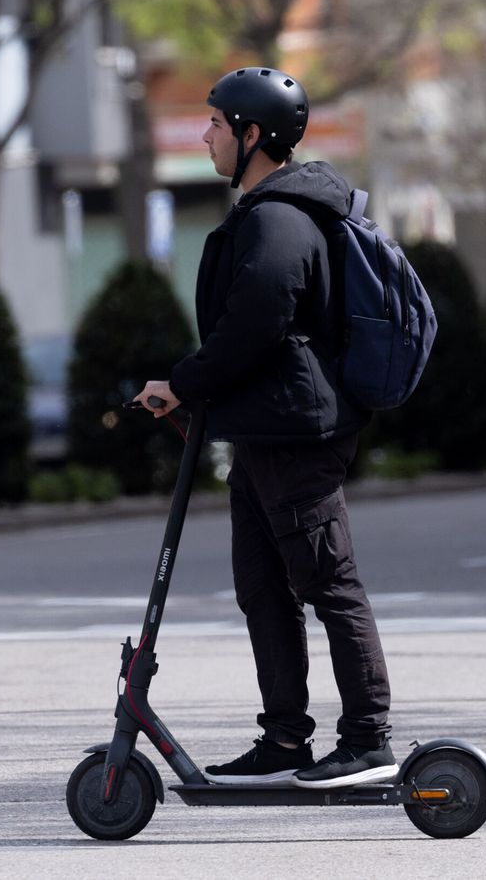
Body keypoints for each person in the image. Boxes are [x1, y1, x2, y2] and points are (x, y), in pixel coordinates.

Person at [134, 67, 395, 790]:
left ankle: (369, 738)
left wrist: (181, 383)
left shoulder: (280, 220)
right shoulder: (266, 211)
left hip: (297, 432)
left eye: (217, 122)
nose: (207, 134)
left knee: (327, 581)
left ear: (253, 135)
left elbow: (255, 324)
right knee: (263, 586)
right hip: (262, 429)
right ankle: (284, 739)